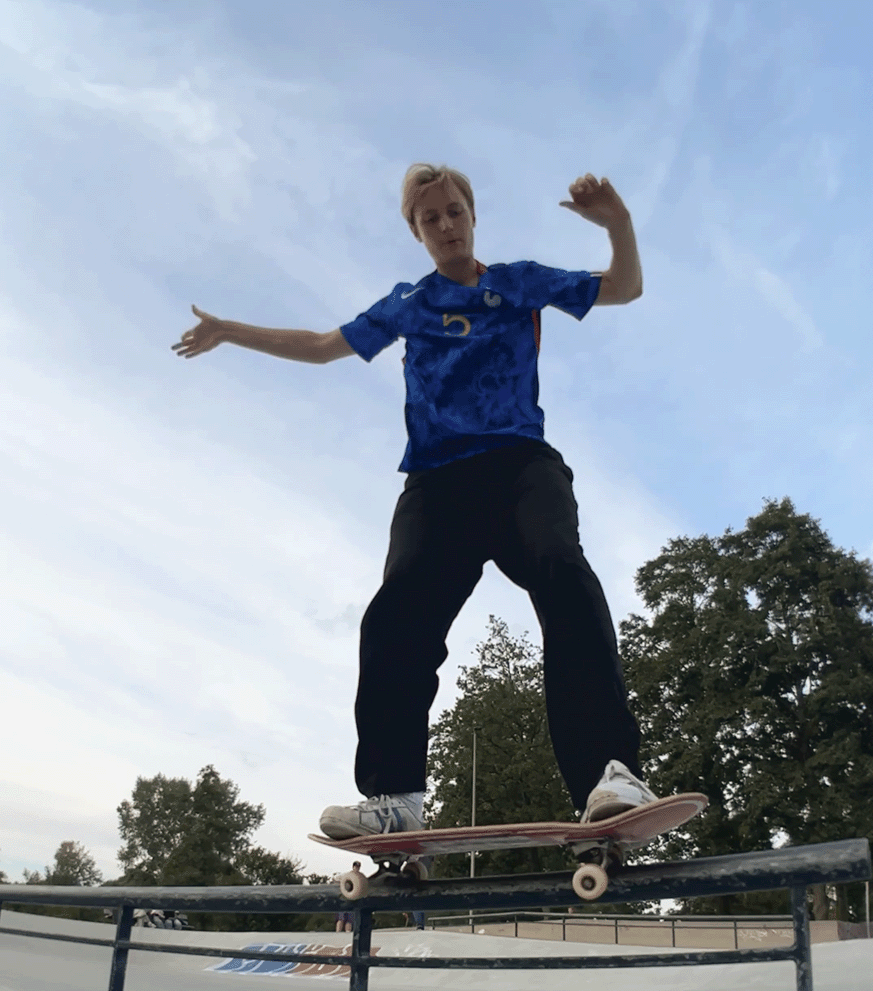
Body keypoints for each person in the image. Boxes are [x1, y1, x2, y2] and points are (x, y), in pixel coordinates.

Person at [174, 163, 663, 839]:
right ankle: (396, 795)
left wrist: (619, 226)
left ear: (471, 214)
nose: (446, 225)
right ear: (417, 231)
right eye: (430, 218)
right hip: (438, 483)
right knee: (398, 609)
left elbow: (625, 287)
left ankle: (611, 774)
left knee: (562, 568)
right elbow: (322, 347)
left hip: (520, 465)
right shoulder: (408, 302)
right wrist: (231, 330)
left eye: (455, 211)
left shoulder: (516, 281)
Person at [335, 863, 362, 932]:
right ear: (353, 867)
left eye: (358, 867)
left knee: (350, 919)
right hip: (344, 899)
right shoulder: (347, 875)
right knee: (341, 918)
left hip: (352, 900)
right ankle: (338, 932)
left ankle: (348, 933)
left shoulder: (360, 877)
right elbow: (336, 878)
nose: (357, 868)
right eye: (356, 866)